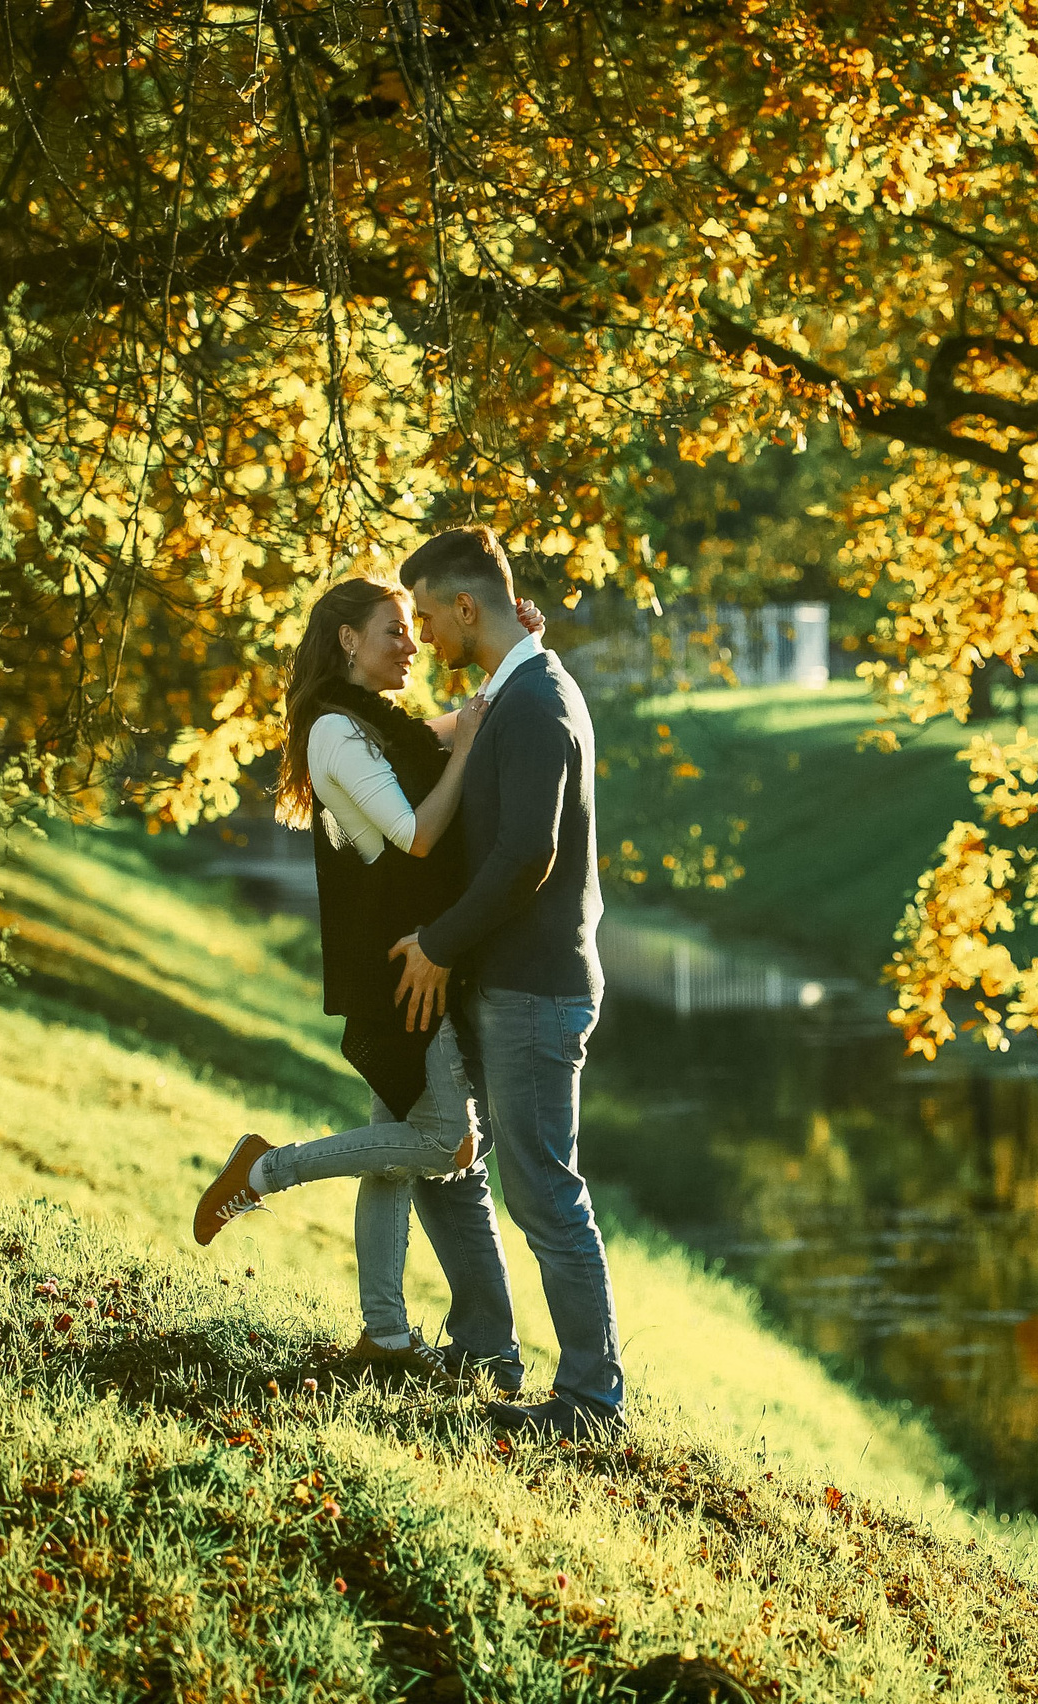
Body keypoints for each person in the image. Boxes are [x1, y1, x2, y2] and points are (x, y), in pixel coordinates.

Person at [191, 576, 541, 1388]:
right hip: (396, 968)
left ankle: (385, 1333)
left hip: (416, 955)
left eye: (414, 631)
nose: (412, 644)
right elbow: (417, 836)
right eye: (394, 629)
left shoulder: (379, 724)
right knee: (444, 1142)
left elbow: (468, 726)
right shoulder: (334, 734)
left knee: (391, 1149)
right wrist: (471, 735)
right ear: (348, 639)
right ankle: (262, 1171)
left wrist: (519, 645)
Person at [388, 525, 629, 1441]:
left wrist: (439, 944)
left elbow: (531, 850)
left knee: (540, 1190)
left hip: (534, 990)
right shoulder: (514, 687)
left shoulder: (537, 704)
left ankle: (590, 1402)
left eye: (425, 617)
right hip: (500, 983)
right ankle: (486, 1347)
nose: (422, 640)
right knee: (447, 1158)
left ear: (463, 607)